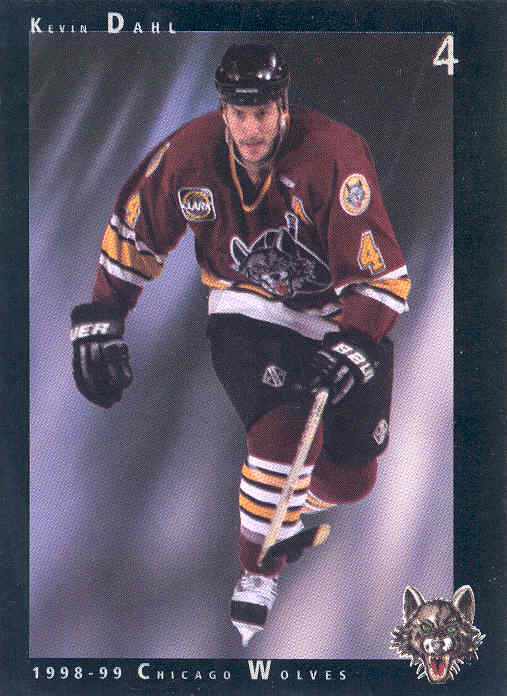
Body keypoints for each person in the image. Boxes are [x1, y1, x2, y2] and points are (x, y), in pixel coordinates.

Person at [70, 44, 411, 646]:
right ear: (224, 110)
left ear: (284, 106)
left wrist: (358, 340)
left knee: (353, 480)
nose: (250, 129)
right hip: (244, 310)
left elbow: (377, 272)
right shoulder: (191, 152)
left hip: (335, 320)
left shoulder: (335, 155)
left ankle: (282, 501)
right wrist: (103, 313)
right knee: (281, 437)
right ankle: (258, 569)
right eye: (238, 113)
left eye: (262, 113)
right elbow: (137, 228)